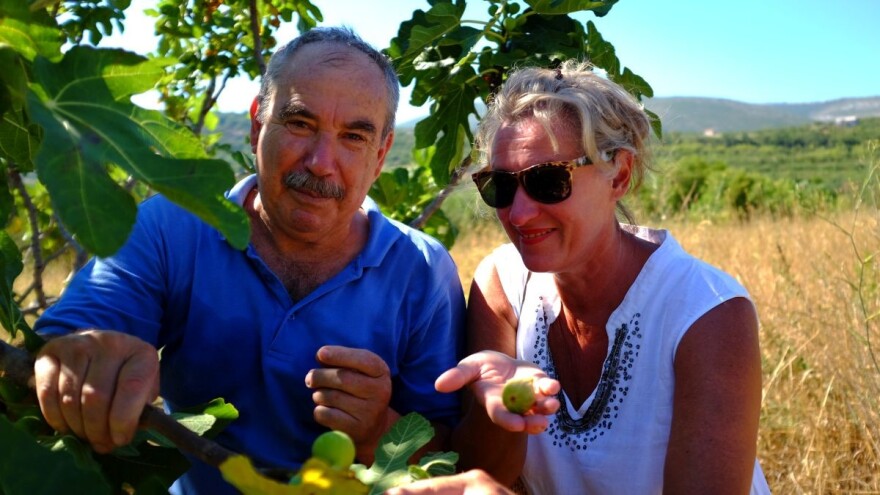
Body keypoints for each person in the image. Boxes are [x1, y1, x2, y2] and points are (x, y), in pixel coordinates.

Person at [32, 27, 465, 494]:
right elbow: (71, 340)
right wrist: (81, 354)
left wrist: (379, 428)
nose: (321, 162)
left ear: (379, 156)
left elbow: (447, 458)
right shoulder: (172, 226)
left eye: (353, 137)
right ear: (258, 125)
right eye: (300, 124)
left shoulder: (425, 271)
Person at [434, 60, 771, 494]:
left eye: (548, 180)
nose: (518, 214)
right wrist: (500, 414)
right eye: (500, 185)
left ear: (620, 175)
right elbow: (483, 473)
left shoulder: (706, 312)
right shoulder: (502, 285)